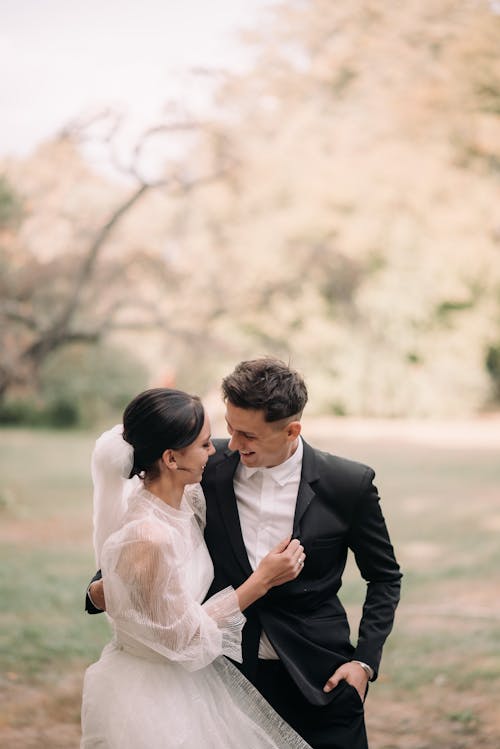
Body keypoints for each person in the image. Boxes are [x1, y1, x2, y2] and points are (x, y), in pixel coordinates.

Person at [87, 359, 402, 749]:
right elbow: (138, 536)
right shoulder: (202, 465)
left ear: (292, 430)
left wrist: (364, 663)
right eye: (230, 429)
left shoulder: (348, 484)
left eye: (248, 435)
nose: (233, 444)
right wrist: (100, 590)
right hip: (223, 678)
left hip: (321, 677)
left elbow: (385, 577)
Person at [81, 387, 311, 748]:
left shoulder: (187, 499)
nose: (218, 450)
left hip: (192, 687)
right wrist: (261, 580)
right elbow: (184, 640)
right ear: (171, 459)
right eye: (205, 445)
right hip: (153, 698)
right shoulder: (148, 537)